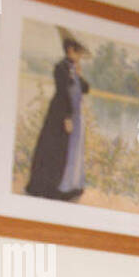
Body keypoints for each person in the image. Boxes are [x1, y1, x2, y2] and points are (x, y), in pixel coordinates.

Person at [25, 36, 90, 201]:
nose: (80, 56)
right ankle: (52, 187)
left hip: (75, 115)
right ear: (70, 50)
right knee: (56, 149)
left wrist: (80, 75)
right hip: (61, 114)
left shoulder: (74, 69)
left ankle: (70, 185)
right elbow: (62, 93)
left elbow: (85, 89)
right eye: (78, 52)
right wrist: (67, 117)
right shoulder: (60, 68)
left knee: (72, 150)